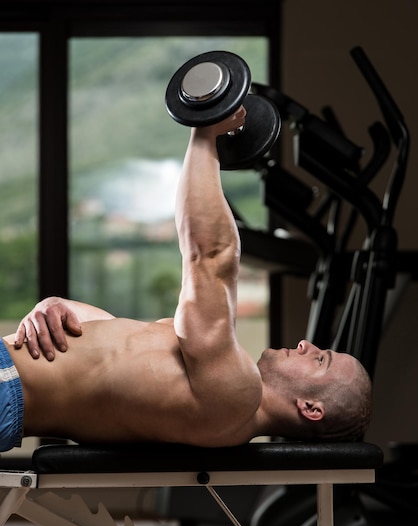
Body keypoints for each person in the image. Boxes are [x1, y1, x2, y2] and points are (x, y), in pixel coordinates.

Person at [1, 107, 372, 453]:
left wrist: (205, 129)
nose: (307, 344)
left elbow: (211, 256)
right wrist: (56, 306)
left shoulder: (235, 400)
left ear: (310, 408)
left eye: (320, 360)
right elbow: (117, 343)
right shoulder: (221, 385)